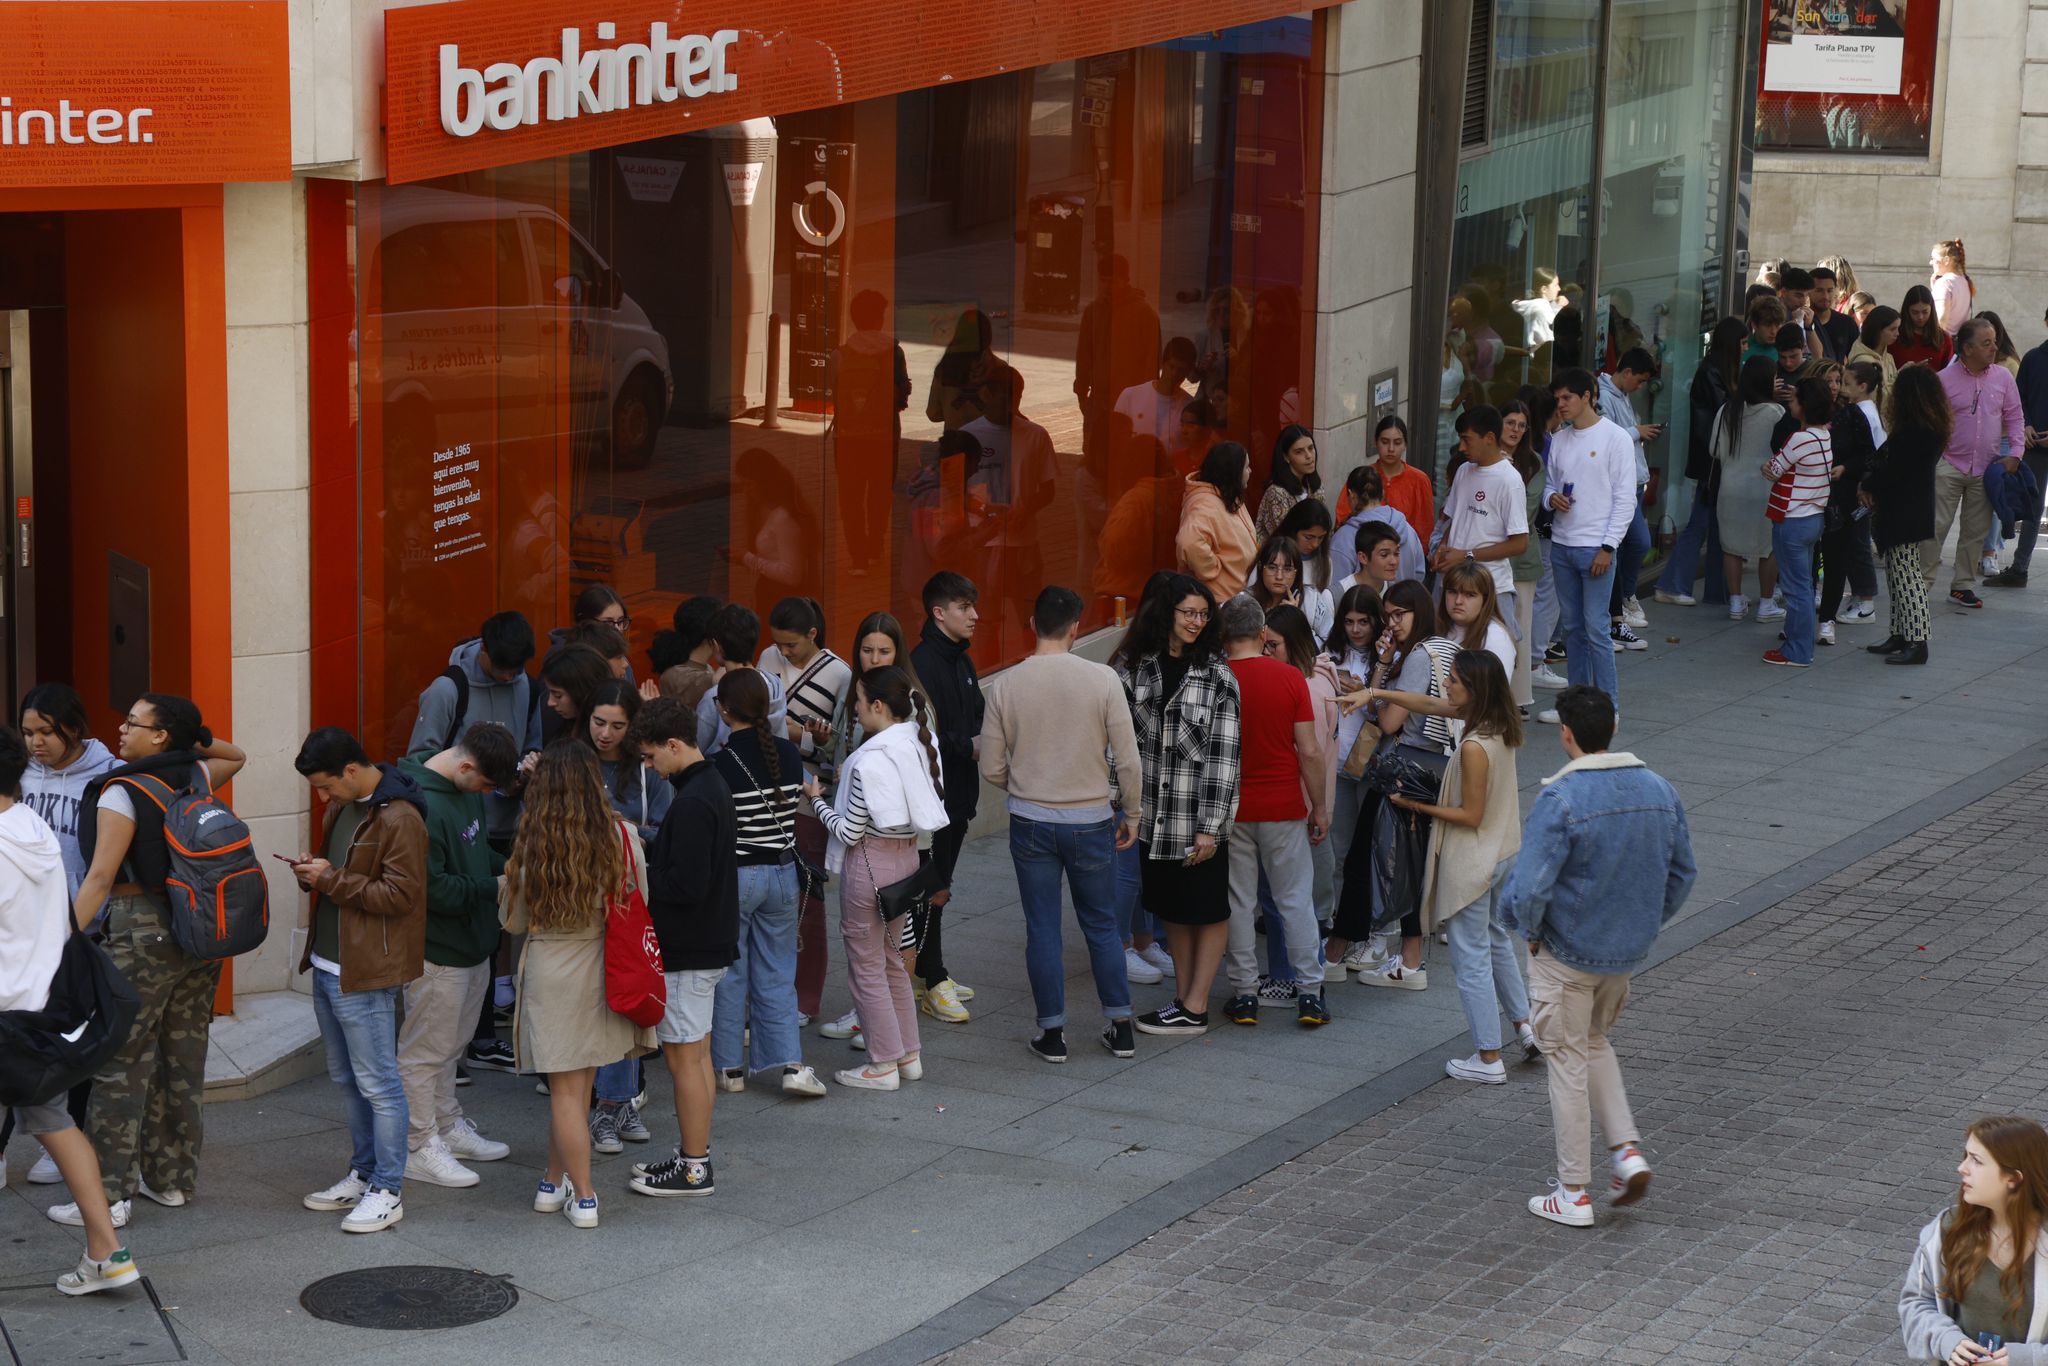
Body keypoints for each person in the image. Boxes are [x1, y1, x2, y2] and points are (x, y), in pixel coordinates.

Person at [1501, 685, 1695, 1228]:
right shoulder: (1660, 788)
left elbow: (1530, 887)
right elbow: (1683, 873)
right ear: (1613, 726)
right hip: (1623, 952)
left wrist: (1529, 931)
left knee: (1564, 1059)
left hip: (1565, 950)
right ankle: (1625, 1150)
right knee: (1592, 1042)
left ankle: (1573, 1191)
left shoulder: (1560, 799)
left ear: (1566, 734)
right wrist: (1645, 924)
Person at [51, 696, 244, 1230]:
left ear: (159, 736)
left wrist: (59, 943)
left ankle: (110, 1194)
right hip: (197, 929)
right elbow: (238, 753)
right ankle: (173, 1180)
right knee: (181, 1058)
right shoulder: (196, 773)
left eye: (134, 723)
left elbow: (98, 879)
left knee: (120, 1063)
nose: (121, 728)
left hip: (140, 931)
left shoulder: (123, 790)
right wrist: (188, 737)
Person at [1348, 650, 1536, 1082]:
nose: (1445, 685)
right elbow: (1429, 704)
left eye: (1452, 679)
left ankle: (1488, 1058)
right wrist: (1373, 692)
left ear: (1474, 690)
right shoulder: (1501, 726)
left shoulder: (1473, 746)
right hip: (1504, 852)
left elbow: (1470, 815)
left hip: (1474, 860)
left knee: (1470, 959)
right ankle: (1525, 1027)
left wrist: (1415, 804)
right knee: (1495, 940)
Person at [0, 726, 140, 1294]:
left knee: (54, 1124)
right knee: (57, 1123)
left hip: (5, 1006)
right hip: (40, 1004)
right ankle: (107, 1252)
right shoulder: (31, 828)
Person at [980, 586, 1145, 1061]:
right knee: (1100, 924)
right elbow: (1128, 761)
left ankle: (1052, 1034)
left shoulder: (1007, 684)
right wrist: (1130, 812)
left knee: (1043, 927)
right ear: (1076, 627)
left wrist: (1026, 782)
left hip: (1030, 818)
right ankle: (1120, 1024)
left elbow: (991, 765)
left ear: (1032, 625)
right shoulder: (1103, 680)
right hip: (1091, 818)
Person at [502, 742, 659, 1226]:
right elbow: (640, 900)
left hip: (551, 969)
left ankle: (582, 1195)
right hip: (602, 967)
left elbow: (514, 920)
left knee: (566, 1093)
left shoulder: (533, 840)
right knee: (578, 1088)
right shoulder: (622, 834)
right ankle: (554, 1183)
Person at [289, 728, 429, 1235]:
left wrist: (329, 879)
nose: (324, 798)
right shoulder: (343, 809)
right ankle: (365, 1172)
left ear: (351, 769)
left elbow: (401, 896)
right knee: (349, 1080)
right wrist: (315, 873)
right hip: (332, 963)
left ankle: (388, 1189)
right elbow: (345, 879)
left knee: (379, 1085)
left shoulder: (401, 816)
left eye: (327, 786)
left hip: (367, 970)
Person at [805, 667, 951, 1090]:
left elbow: (849, 831)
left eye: (858, 700)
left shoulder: (866, 760)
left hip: (868, 864)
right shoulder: (916, 741)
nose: (854, 708)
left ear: (878, 706)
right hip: (905, 863)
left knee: (866, 966)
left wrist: (816, 802)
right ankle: (908, 1056)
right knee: (891, 961)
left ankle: (882, 1064)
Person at [1110, 577, 1241, 1034]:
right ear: (1166, 612)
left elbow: (1225, 758)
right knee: (1172, 910)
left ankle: (1197, 1004)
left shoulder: (1218, 675)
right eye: (1188, 612)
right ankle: (1184, 1000)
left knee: (1207, 909)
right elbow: (1119, 744)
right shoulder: (1134, 669)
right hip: (1152, 817)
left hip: (1198, 817)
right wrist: (1122, 806)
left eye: (1203, 614)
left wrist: (1211, 826)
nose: (1196, 622)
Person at [392, 723, 519, 1192]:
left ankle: (446, 1125)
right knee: (425, 1053)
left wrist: (509, 866)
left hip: (472, 945)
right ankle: (417, 1145)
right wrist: (499, 885)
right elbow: (433, 890)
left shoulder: (463, 790)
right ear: (465, 766)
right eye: (485, 784)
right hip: (438, 953)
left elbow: (475, 850)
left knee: (451, 1046)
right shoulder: (420, 806)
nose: (486, 794)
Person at [1, 684, 120, 1185]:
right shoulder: (20, 784)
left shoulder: (110, 776)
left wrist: (69, 931)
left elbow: (99, 873)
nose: (36, 742)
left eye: (46, 731)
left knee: (60, 1057)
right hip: (28, 931)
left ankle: (59, 1150)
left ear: (74, 726)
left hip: (74, 931)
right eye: (28, 732)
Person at [621, 699, 739, 1196]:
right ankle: (694, 1155)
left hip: (689, 950)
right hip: (707, 943)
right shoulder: (708, 786)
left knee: (684, 1061)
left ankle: (694, 1167)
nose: (650, 767)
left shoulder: (692, 801)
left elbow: (685, 885)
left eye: (651, 757)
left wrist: (639, 872)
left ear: (674, 746)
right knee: (697, 1056)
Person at [704, 671, 825, 1099]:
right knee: (778, 973)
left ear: (723, 709)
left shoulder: (718, 764)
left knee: (731, 974)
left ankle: (729, 1070)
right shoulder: (790, 756)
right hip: (783, 874)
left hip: (738, 877)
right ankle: (791, 1064)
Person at [1214, 593, 1331, 1028]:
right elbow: (1310, 751)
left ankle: (1245, 995)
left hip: (1232, 809)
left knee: (1239, 901)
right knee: (1294, 899)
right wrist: (1318, 807)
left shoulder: (1214, 680)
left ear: (1223, 636)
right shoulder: (1289, 679)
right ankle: (1309, 994)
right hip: (1282, 804)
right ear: (1263, 633)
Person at [1898, 1115, 2048, 1364]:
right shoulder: (1948, 1230)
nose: (1962, 1168)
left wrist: (2026, 1360)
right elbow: (1916, 1302)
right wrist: (1946, 1340)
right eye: (1965, 1156)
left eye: (1976, 1161)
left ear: (2014, 1178)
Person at [1540, 369, 1636, 722]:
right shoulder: (1560, 439)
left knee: (1596, 628)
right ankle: (1575, 706)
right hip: (1563, 544)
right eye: (1558, 399)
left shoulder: (1616, 439)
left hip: (1595, 545)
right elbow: (1551, 485)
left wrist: (1608, 547)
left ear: (1588, 396)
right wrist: (1552, 500)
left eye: (1567, 398)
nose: (1561, 405)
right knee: (1573, 628)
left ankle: (1608, 706)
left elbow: (1626, 499)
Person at [909, 572, 984, 1022]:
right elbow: (925, 736)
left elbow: (974, 718)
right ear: (939, 613)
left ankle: (928, 970)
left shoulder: (961, 660)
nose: (975, 615)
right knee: (932, 890)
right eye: (963, 607)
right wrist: (967, 745)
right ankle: (932, 979)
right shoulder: (924, 664)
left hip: (958, 798)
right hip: (933, 804)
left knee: (941, 887)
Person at [407, 610, 536, 847]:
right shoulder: (448, 689)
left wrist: (522, 773)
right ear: (484, 649)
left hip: (512, 826)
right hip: (458, 827)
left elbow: (532, 745)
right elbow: (419, 762)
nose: (508, 677)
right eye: (502, 669)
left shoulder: (526, 686)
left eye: (515, 670)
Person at [1931, 318, 2026, 608]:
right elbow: (1930, 421)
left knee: (1975, 531)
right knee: (1935, 527)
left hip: (1987, 468)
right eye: (1987, 343)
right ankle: (1920, 584)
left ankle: (1962, 586)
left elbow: (2015, 417)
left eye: (1994, 341)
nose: (1994, 348)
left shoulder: (2003, 377)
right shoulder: (1943, 380)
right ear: (1968, 348)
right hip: (1948, 464)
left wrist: (2016, 454)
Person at [1656, 318, 1748, 609]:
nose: (1746, 348)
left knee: (1713, 524)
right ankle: (1673, 584)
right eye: (1743, 343)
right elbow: (1723, 416)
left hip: (1714, 460)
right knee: (1701, 523)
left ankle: (1715, 590)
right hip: (1713, 462)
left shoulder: (1718, 371)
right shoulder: (1713, 373)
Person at [1864, 363, 1949, 665]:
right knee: (1899, 574)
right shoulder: (1928, 428)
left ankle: (1917, 639)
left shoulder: (1915, 432)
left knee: (1906, 576)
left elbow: (1893, 470)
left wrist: (1870, 482)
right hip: (1910, 509)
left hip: (1903, 510)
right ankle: (1900, 633)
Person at [831, 289, 911, 578]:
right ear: (880, 318)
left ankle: (858, 558)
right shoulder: (894, 351)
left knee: (850, 498)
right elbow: (902, 395)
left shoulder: (840, 354)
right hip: (884, 436)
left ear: (854, 319)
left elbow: (836, 397)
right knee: (879, 494)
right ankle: (876, 547)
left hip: (848, 437)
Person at [1433, 405, 1531, 637]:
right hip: (1453, 584)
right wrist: (1443, 547)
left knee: (1491, 657)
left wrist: (1466, 555)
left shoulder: (1510, 480)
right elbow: (1456, 520)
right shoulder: (1464, 471)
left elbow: (1520, 543)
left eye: (1467, 440)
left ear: (1489, 438)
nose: (1462, 447)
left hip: (1491, 588)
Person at [1759, 376, 1833, 667]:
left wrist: (1767, 467)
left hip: (1792, 520)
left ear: (1805, 404)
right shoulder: (1824, 435)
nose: (1791, 401)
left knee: (1796, 588)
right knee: (1804, 585)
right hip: (1813, 518)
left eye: (1795, 398)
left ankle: (1798, 650)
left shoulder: (1799, 438)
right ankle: (1795, 643)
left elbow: (1774, 469)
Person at [1711, 358, 1785, 623]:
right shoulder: (1777, 413)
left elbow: (1715, 451)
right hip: (1765, 489)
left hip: (1730, 487)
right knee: (1768, 548)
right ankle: (1766, 603)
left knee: (1731, 547)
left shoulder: (1727, 410)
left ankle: (1735, 601)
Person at [1821, 361, 1886, 632]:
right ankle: (1861, 597)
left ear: (1862, 386)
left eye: (1846, 383)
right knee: (1854, 543)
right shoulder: (1861, 410)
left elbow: (1872, 453)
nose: (1841, 389)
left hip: (1861, 490)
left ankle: (1866, 601)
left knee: (1857, 544)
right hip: (1860, 488)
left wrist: (1864, 485)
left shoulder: (1863, 413)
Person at [1988, 305, 2048, 589]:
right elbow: (2018, 399)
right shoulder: (2034, 358)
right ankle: (2020, 568)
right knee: (2032, 508)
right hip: (2035, 444)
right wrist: (2024, 426)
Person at [731, 450, 818, 617]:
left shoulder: (783, 517)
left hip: (781, 601)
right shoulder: (765, 510)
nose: (745, 492)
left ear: (765, 482)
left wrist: (747, 558)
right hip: (772, 597)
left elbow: (792, 575)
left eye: (749, 485)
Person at [694, 603, 788, 756]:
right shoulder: (774, 684)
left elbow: (694, 752)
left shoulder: (715, 696)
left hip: (727, 777)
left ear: (716, 646)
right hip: (774, 774)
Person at [1176, 441, 1260, 606]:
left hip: (1238, 598)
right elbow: (1188, 541)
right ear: (1234, 472)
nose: (1250, 471)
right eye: (1246, 467)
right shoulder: (1204, 503)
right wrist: (1211, 570)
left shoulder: (1230, 495)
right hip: (1219, 601)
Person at [1331, 464, 1427, 585]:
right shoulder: (1408, 529)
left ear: (1351, 495)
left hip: (1363, 603)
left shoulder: (1343, 539)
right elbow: (1419, 574)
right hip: (1404, 602)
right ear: (1382, 493)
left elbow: (1336, 589)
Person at [1438, 561, 1517, 685]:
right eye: (1452, 592)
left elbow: (1492, 695)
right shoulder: (1437, 626)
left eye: (1469, 595)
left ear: (1485, 600)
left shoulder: (1496, 637)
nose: (1458, 601)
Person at [1112, 336, 1196, 451]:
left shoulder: (1191, 406)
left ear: (1188, 371)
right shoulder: (1130, 395)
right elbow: (1114, 437)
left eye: (1181, 370)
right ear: (1163, 363)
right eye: (1171, 366)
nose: (1174, 374)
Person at [1248, 533, 1334, 641]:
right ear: (1261, 568)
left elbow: (1331, 644)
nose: (1279, 576)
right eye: (1272, 567)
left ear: (1296, 572)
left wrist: (1295, 619)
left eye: (1287, 569)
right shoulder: (1246, 602)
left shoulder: (1312, 601)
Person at [533, 642, 614, 751]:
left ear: (581, 691)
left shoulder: (604, 741)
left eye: (558, 695)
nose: (550, 702)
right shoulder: (558, 723)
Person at [1256, 424, 1324, 540]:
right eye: (1299, 452)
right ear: (1286, 457)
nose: (1309, 456)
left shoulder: (1314, 485)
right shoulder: (1276, 493)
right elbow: (1286, 539)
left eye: (1311, 448)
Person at [1275, 498, 1336, 598]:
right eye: (1308, 537)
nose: (1315, 544)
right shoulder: (1273, 556)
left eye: (1321, 538)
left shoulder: (1324, 562)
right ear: (1293, 531)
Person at [1894, 286, 1955, 371]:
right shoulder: (1895, 336)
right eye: (1915, 312)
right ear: (1907, 311)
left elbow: (1948, 372)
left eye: (1925, 312)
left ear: (1932, 310)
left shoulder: (1943, 338)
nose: (1920, 317)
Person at [1809, 265, 1858, 361]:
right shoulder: (1801, 321)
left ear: (1836, 290)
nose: (1825, 296)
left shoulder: (1847, 323)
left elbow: (1856, 358)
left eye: (1830, 290)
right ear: (1808, 291)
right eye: (1819, 291)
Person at [1851, 305, 1902, 390]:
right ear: (1878, 330)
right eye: (1892, 329)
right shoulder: (1862, 360)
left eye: (1898, 328)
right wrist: (1899, 375)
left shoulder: (1889, 357)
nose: (1897, 333)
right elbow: (1874, 397)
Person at [1931, 239, 1976, 337]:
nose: (1931, 262)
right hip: (1960, 343)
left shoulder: (1944, 283)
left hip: (1946, 343)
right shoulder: (1965, 281)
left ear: (1946, 260)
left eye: (1934, 259)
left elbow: (1941, 320)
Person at [1511, 268, 1564, 349]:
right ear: (1544, 289)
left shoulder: (1529, 304)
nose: (1559, 288)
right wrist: (1558, 307)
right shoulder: (1542, 306)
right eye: (1556, 285)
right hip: (1536, 358)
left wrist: (1555, 305)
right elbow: (1547, 340)